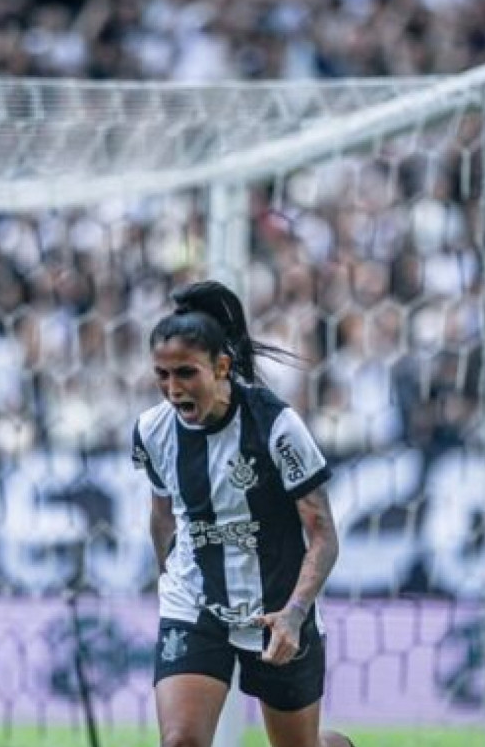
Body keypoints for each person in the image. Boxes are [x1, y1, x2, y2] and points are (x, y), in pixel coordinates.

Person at [131, 280, 354, 747]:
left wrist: (294, 613)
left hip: (276, 608)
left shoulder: (276, 426)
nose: (173, 390)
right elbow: (162, 515)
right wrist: (170, 585)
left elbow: (323, 536)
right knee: (180, 743)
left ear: (222, 367)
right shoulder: (152, 431)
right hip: (197, 603)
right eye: (162, 376)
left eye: (186, 374)